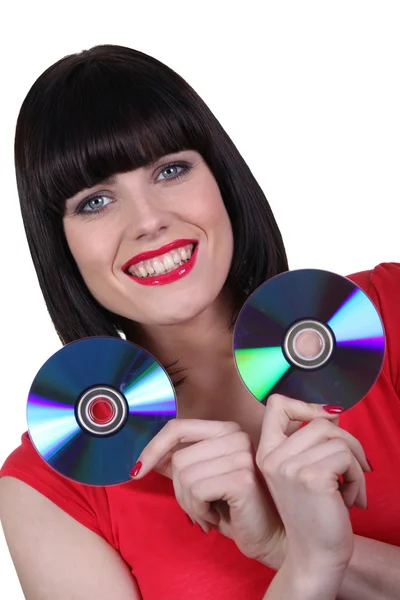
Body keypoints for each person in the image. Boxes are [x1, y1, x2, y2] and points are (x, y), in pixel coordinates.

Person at [0, 44, 399, 600]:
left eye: (170, 169)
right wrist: (306, 569)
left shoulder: (389, 316)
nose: (149, 221)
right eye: (94, 202)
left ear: (222, 179)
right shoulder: (51, 490)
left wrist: (281, 544)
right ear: (59, 245)